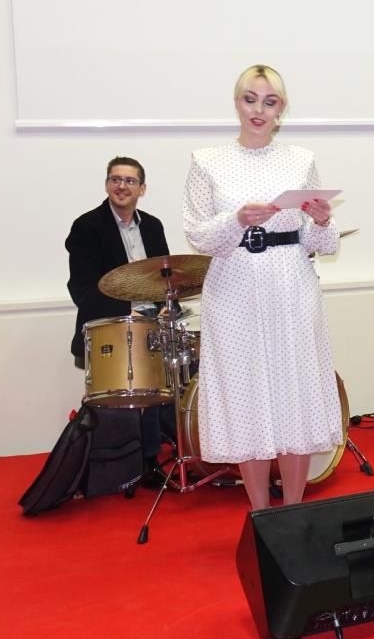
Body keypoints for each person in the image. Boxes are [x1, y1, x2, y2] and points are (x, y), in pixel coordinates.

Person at [183, 64, 342, 511]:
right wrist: (236, 219)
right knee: (246, 399)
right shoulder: (206, 161)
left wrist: (322, 221)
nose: (259, 110)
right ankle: (259, 512)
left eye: (269, 102)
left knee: (295, 396)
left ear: (281, 109)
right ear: (237, 103)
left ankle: (293, 510)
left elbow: (316, 241)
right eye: (250, 99)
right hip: (233, 287)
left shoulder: (301, 159)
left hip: (291, 284)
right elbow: (198, 234)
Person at [65, 157, 172, 488]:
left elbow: (167, 276)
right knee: (114, 400)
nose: (121, 186)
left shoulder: (152, 226)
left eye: (129, 181)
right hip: (109, 323)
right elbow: (82, 287)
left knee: (153, 393)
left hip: (151, 321)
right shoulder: (87, 226)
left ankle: (149, 462)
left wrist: (167, 306)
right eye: (115, 179)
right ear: (107, 184)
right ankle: (111, 466)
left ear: (142, 188)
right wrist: (129, 311)